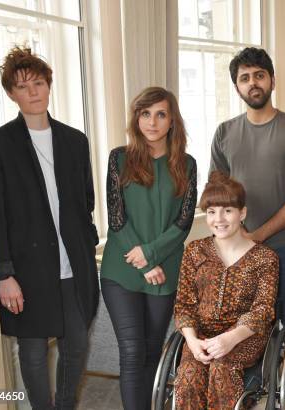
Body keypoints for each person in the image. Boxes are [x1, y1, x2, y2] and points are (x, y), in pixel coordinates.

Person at [0, 46, 99, 409]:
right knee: (32, 350)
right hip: (26, 269)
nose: (32, 91)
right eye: (22, 86)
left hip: (73, 266)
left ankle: (64, 404)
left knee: (76, 345)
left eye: (38, 82)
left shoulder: (74, 140)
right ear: (11, 94)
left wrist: (88, 243)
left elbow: (86, 201)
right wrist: (5, 274)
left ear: (49, 85)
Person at [209, 47, 285, 357]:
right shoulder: (225, 132)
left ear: (272, 81)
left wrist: (258, 236)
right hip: (238, 253)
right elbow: (217, 195)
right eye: (244, 78)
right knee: (244, 328)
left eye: (259, 76)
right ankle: (250, 394)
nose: (252, 83)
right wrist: (235, 240)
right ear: (237, 86)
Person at [100, 86, 197, 409]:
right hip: (121, 269)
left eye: (160, 114)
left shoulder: (188, 164)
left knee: (153, 351)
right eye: (145, 114)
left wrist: (153, 256)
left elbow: (183, 222)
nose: (152, 122)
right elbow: (116, 217)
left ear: (172, 121)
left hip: (165, 269)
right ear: (136, 118)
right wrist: (144, 262)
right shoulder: (119, 158)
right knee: (131, 351)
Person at [173, 171, 279, 409]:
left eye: (227, 210)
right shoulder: (194, 251)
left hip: (245, 336)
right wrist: (191, 341)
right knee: (189, 374)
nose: (218, 219)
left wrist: (229, 339)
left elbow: (263, 309)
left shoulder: (265, 258)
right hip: (200, 335)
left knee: (222, 368)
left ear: (242, 213)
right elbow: (184, 304)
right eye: (211, 211)